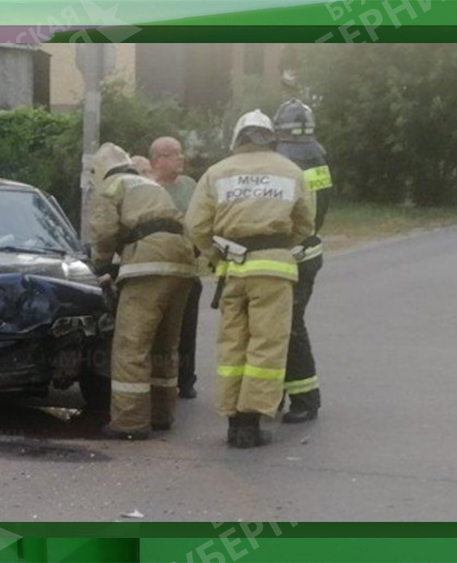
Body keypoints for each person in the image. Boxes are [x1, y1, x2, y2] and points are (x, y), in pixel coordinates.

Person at [185, 110, 314, 448]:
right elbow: (305, 223)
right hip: (273, 271)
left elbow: (196, 226)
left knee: (233, 344)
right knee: (266, 344)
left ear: (237, 139)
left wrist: (217, 254)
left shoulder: (216, 173)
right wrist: (280, 246)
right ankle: (251, 424)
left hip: (232, 271)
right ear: (270, 137)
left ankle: (232, 421)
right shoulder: (291, 171)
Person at [87, 142, 197, 440]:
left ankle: (130, 422)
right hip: (183, 261)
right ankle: (162, 414)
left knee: (131, 344)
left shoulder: (110, 186)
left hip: (148, 264)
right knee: (165, 343)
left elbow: (104, 232)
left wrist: (99, 266)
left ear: (98, 171)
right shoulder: (147, 184)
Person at [273, 98, 334, 424]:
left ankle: (305, 399)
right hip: (309, 252)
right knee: (286, 325)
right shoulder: (318, 156)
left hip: (294, 255)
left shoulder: (288, 162)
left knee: (289, 327)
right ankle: (282, 392)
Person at [149, 136, 201, 399]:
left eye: (181, 153)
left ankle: (186, 378)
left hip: (187, 269)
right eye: (174, 154)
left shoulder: (191, 186)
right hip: (155, 270)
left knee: (186, 326)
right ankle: (157, 377)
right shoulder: (146, 187)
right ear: (158, 159)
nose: (180, 158)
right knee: (156, 326)